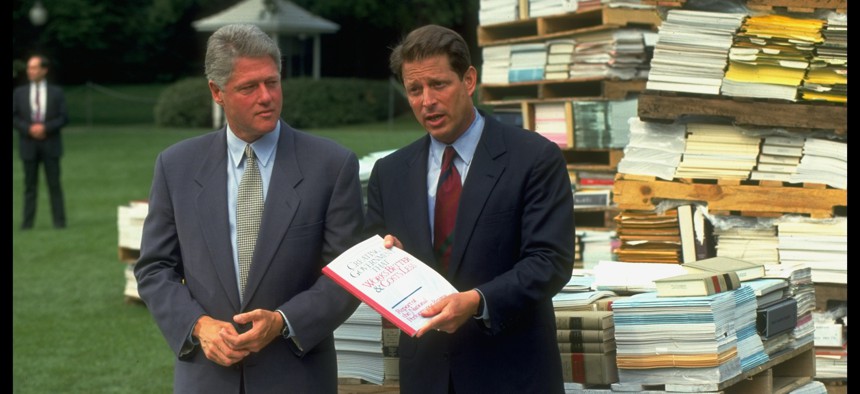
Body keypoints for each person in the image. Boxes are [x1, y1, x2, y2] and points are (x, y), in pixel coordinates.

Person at [134, 24, 363, 394]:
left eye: (272, 82)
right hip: (206, 378)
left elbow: (348, 275)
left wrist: (283, 320)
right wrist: (198, 326)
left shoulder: (332, 166)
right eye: (248, 87)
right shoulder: (175, 166)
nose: (266, 97)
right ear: (217, 92)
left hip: (297, 376)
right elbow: (154, 267)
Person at [365, 25, 575, 393]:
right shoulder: (390, 172)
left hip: (511, 373)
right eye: (415, 89)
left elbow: (550, 261)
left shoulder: (534, 158)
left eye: (438, 84)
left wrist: (478, 301)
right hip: (427, 375)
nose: (427, 100)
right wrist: (383, 260)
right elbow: (371, 253)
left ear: (469, 80)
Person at [12, 54, 69, 230]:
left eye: (35, 67)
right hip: (28, 144)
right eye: (29, 67)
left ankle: (59, 223)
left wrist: (45, 128)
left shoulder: (56, 93)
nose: (31, 71)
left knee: (54, 185)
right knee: (29, 186)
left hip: (50, 144)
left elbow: (63, 117)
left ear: (44, 70)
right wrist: (29, 128)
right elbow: (14, 117)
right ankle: (27, 224)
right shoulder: (19, 93)